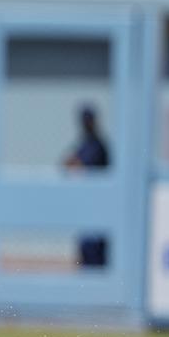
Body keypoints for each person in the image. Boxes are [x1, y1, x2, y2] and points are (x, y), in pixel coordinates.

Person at [64, 105, 110, 267]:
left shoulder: (98, 144)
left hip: (98, 206)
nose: (86, 123)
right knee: (85, 251)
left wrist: (75, 165)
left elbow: (81, 165)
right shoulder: (84, 143)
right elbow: (67, 163)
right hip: (86, 206)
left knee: (95, 252)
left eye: (88, 120)